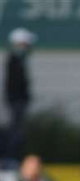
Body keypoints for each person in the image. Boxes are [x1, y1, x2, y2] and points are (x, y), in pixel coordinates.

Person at [4, 28, 36, 160]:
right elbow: (15, 84)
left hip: (18, 100)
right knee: (15, 130)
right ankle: (11, 158)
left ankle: (14, 156)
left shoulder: (19, 60)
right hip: (16, 100)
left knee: (18, 129)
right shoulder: (14, 60)